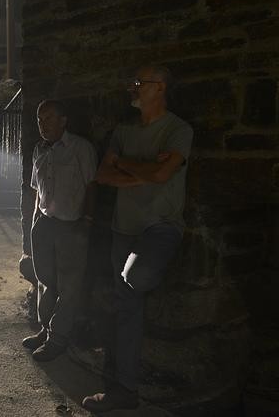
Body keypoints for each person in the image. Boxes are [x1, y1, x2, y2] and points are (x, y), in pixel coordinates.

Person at [82, 65, 193, 412]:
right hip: (123, 229)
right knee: (126, 309)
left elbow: (162, 174)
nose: (132, 87)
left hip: (159, 226)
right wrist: (144, 171)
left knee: (136, 277)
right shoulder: (123, 130)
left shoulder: (178, 129)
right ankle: (124, 390)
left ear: (159, 88)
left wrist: (127, 166)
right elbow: (102, 174)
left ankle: (123, 385)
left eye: (139, 83)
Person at [23, 99, 97, 362]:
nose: (44, 125)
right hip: (44, 222)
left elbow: (92, 185)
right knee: (45, 279)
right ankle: (45, 330)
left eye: (50, 118)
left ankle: (58, 338)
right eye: (40, 119)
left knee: (69, 286)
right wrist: (33, 222)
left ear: (63, 120)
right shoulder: (39, 150)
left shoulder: (80, 148)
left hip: (71, 224)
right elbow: (36, 190)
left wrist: (86, 221)